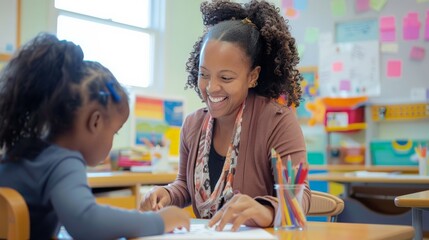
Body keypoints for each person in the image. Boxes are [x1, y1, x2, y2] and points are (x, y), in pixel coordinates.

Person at [140, 0, 311, 232]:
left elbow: (300, 196)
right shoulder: (193, 125)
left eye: (226, 78)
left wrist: (266, 210)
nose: (211, 88)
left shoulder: (277, 121)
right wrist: (167, 193)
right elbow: (186, 186)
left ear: (253, 76)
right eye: (204, 74)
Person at [0, 33, 190, 240]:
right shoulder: (64, 162)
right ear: (95, 122)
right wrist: (160, 221)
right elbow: (87, 222)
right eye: (114, 132)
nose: (112, 141)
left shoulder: (22, 151)